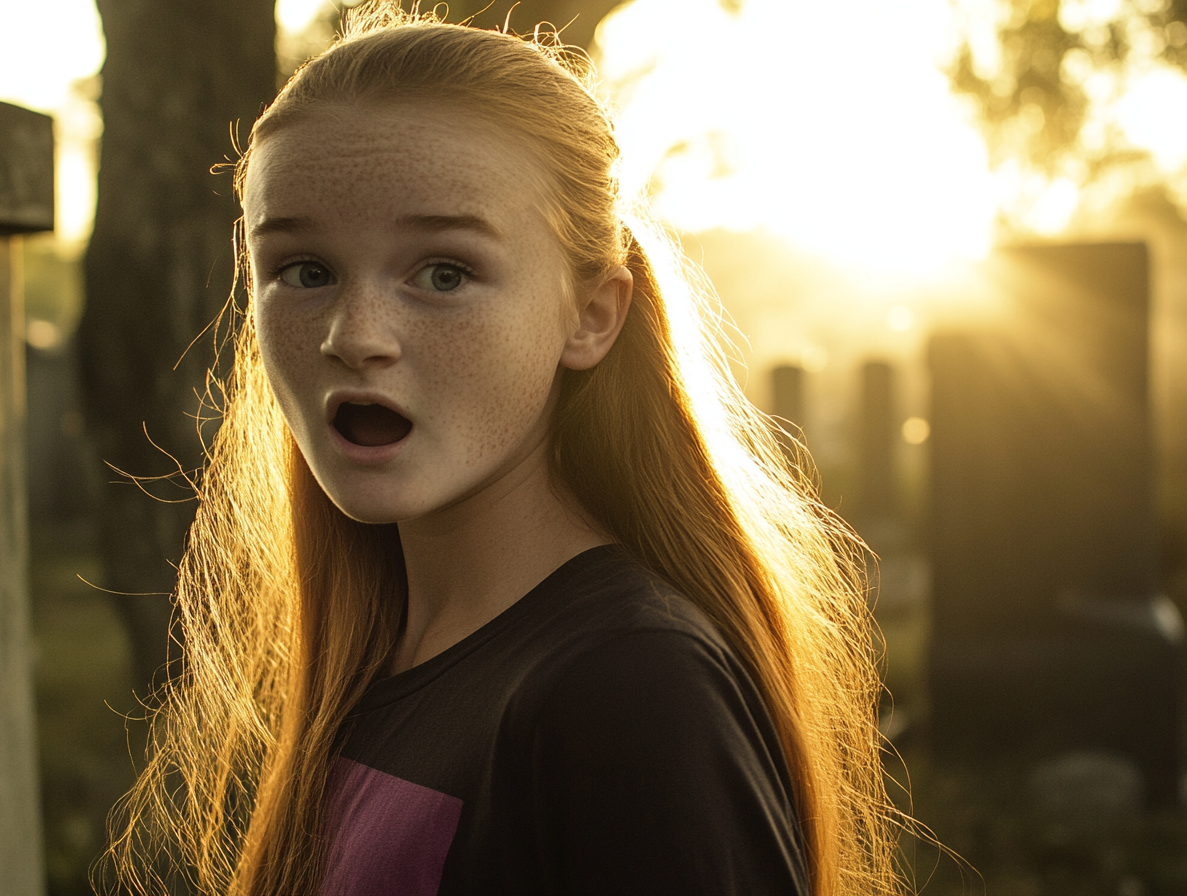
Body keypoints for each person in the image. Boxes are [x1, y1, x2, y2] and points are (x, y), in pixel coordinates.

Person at [105, 4, 901, 894]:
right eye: (304, 270)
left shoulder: (631, 689)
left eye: (444, 272)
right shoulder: (380, 655)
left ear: (591, 315)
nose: (354, 335)